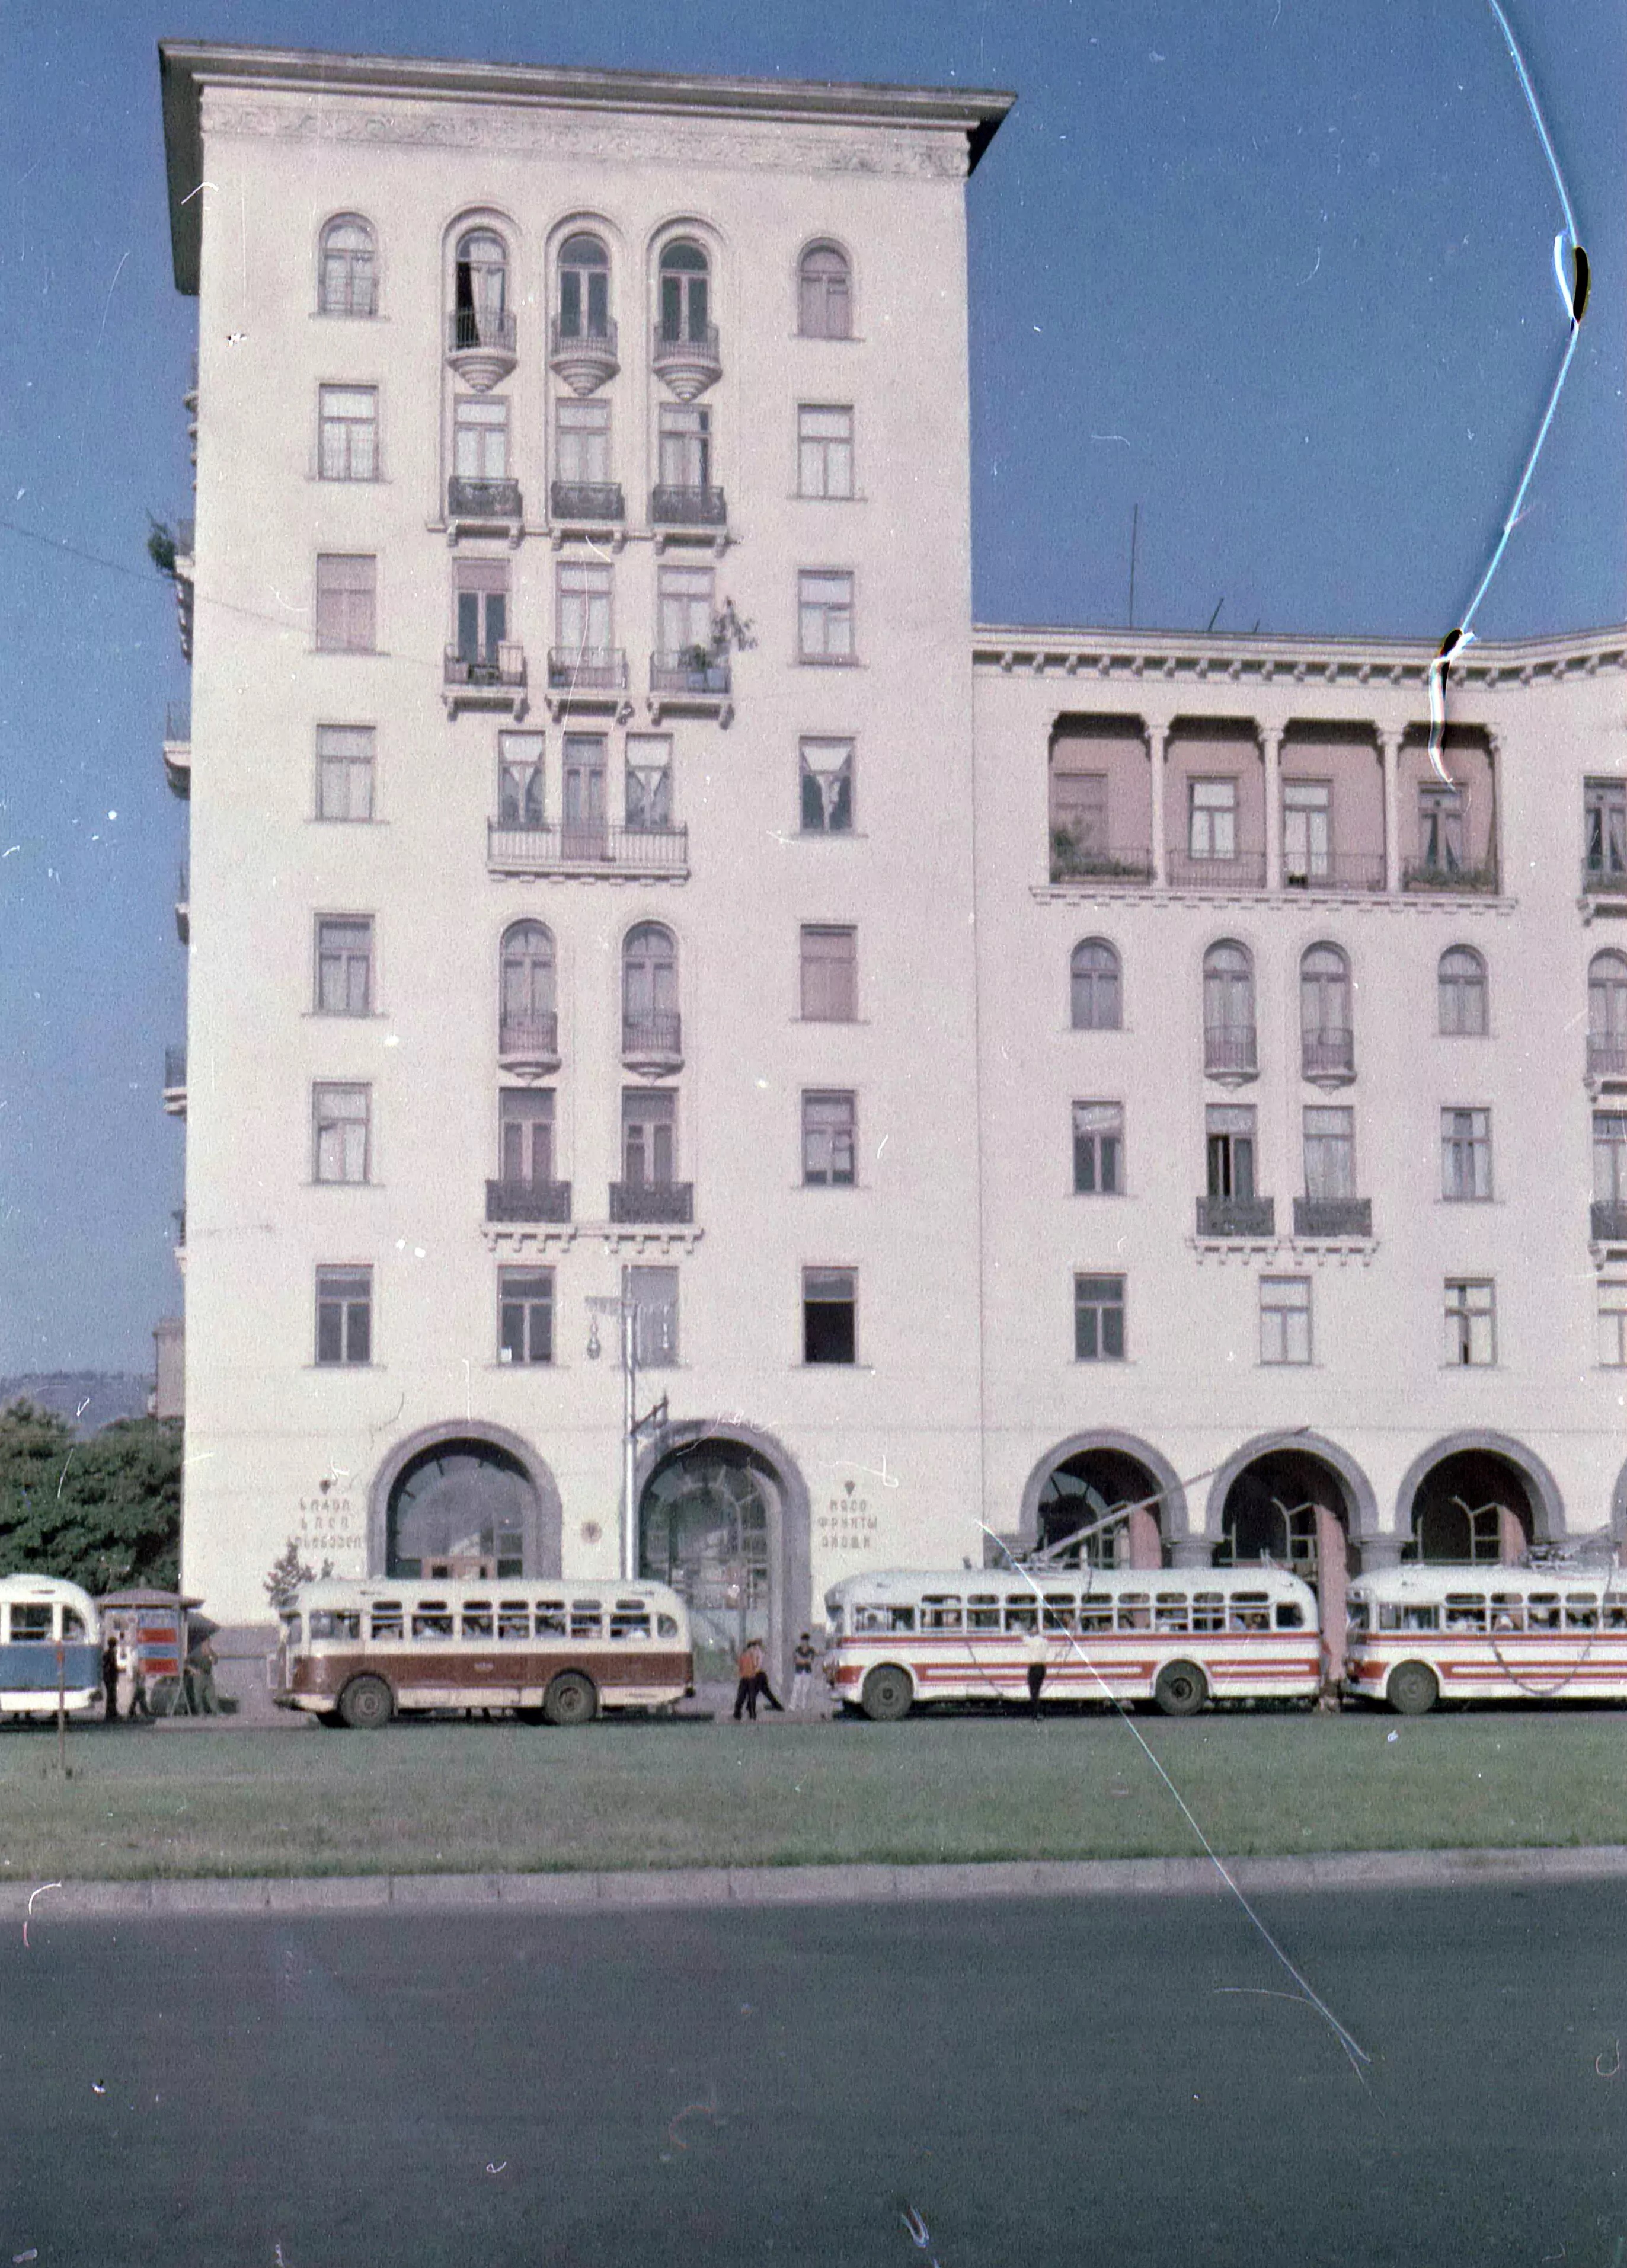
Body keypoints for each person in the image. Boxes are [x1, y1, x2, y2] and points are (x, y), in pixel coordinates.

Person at [185, 1636, 220, 1716]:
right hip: (199, 1675)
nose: (208, 1645)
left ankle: (217, 1711)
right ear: (202, 1644)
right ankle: (201, 1712)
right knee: (198, 1696)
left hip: (208, 1675)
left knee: (211, 1695)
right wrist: (194, 1671)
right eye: (206, 1643)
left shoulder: (210, 1651)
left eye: (209, 1643)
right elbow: (186, 1663)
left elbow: (215, 1661)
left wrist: (211, 1657)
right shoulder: (196, 1652)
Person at [733, 1637, 762, 1722]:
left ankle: (751, 1714)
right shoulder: (746, 1656)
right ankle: (739, 1714)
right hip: (746, 1678)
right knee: (742, 1696)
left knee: (750, 1697)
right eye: (751, 1648)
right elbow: (740, 1666)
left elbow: (756, 1666)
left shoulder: (753, 1656)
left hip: (750, 1678)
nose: (752, 1650)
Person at [1024, 1620, 1049, 1717]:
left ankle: (1035, 1712)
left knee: (1033, 1690)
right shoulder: (1045, 1641)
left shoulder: (1031, 1641)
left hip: (1034, 1666)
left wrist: (1028, 1633)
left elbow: (1023, 1637)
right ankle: (1037, 1712)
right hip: (1042, 1667)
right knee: (1037, 1690)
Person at [790, 1631, 819, 1712]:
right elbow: (796, 1661)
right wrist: (805, 1660)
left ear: (808, 1641)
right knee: (796, 1688)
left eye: (805, 1641)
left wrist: (802, 1660)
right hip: (799, 1671)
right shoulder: (797, 1649)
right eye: (803, 1641)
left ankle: (803, 1706)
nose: (804, 1643)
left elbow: (811, 1661)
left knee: (805, 1690)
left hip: (807, 1671)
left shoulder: (811, 1650)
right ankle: (792, 1706)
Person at [101, 1635, 120, 1724]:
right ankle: (111, 1713)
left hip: (108, 1678)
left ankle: (112, 1712)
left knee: (111, 1695)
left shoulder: (107, 1653)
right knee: (111, 1695)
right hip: (111, 1678)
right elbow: (111, 1667)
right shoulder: (111, 1654)